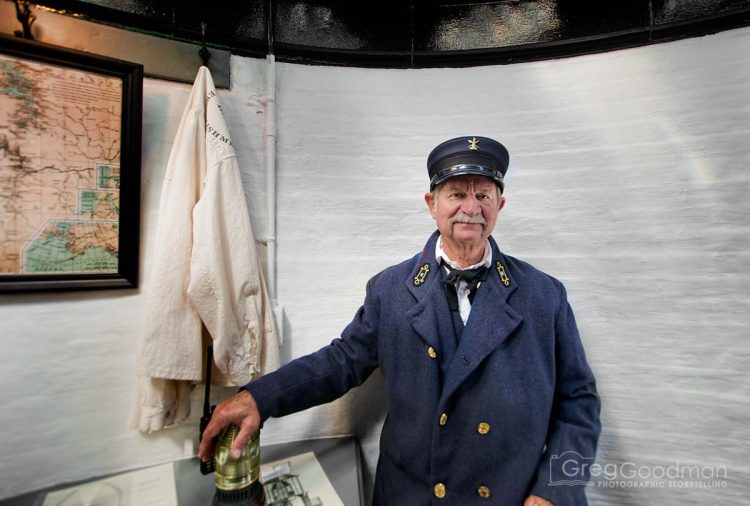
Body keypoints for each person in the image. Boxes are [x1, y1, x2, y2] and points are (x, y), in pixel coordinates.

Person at [199, 135, 601, 505]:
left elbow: (579, 403)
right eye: (456, 193)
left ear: (500, 205)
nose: (471, 207)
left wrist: (555, 492)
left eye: (484, 194)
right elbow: (340, 363)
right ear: (432, 204)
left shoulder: (544, 295)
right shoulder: (389, 290)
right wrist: (260, 396)